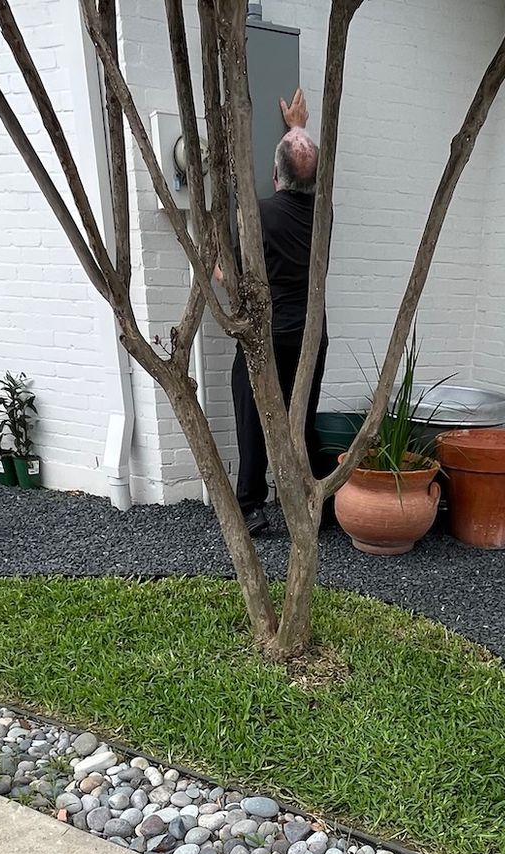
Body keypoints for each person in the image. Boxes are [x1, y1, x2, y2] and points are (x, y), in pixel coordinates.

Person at [228, 87, 329, 535]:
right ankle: (309, 500)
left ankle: (251, 507)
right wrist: (298, 129)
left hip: (266, 341)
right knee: (299, 420)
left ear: (274, 175)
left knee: (254, 421)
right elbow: (303, 170)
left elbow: (225, 275)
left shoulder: (259, 216)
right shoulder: (326, 216)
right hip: (310, 338)